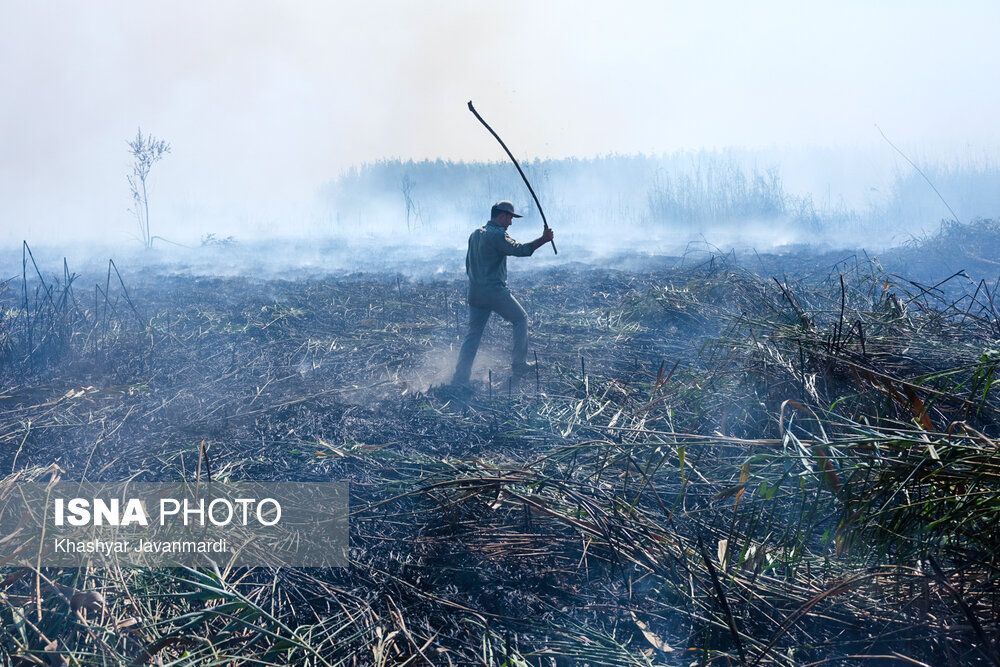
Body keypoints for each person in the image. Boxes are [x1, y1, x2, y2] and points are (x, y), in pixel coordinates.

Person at [452, 200, 554, 386]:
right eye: (510, 218)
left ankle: (460, 377)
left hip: (475, 292)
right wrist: (544, 239)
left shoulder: (475, 234)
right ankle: (519, 365)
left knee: (473, 335)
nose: (511, 223)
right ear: (502, 216)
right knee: (520, 319)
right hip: (494, 292)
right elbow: (521, 250)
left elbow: (468, 265)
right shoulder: (497, 235)